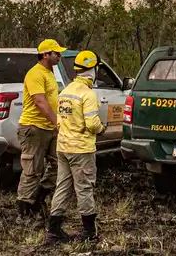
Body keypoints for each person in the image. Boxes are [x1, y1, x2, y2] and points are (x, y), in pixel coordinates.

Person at [46, 50, 105, 243]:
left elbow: (61, 121)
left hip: (63, 147)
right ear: (92, 70)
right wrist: (101, 128)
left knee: (62, 186)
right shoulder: (88, 94)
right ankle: (89, 231)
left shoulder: (66, 91)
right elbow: (92, 124)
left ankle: (53, 230)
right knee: (84, 188)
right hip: (81, 150)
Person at [16, 39, 67, 217]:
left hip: (49, 128)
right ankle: (24, 210)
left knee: (59, 165)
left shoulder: (50, 73)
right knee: (32, 171)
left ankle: (39, 198)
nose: (59, 56)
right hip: (34, 128)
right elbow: (40, 101)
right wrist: (57, 122)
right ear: (45, 54)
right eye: (56, 53)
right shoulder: (35, 74)